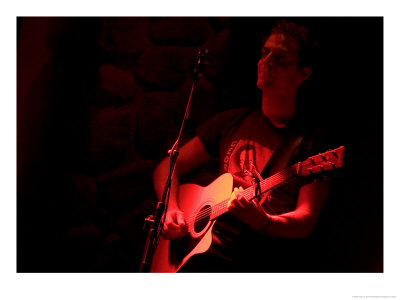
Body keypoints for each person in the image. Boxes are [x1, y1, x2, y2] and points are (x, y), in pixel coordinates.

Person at [152, 20, 331, 272]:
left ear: (302, 73)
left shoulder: (312, 144)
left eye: (280, 58)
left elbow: (305, 220)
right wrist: (171, 210)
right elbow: (166, 167)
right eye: (264, 53)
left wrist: (266, 221)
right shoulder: (231, 121)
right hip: (201, 260)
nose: (266, 62)